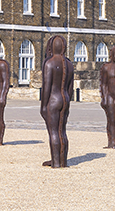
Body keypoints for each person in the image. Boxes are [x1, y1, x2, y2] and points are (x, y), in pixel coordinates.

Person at [40, 35, 73, 168]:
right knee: (62, 131)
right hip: (64, 98)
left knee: (53, 132)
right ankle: (62, 160)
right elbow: (70, 87)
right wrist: (68, 101)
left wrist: (43, 106)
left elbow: (46, 87)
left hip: (53, 100)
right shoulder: (69, 64)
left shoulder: (50, 63)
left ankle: (56, 162)